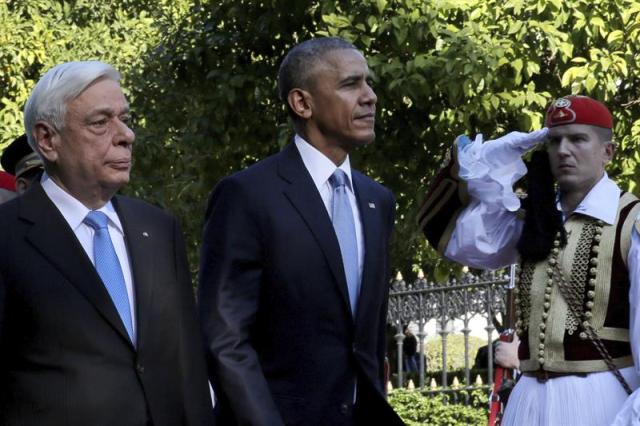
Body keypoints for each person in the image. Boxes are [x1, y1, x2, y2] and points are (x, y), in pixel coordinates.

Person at [198, 37, 403, 425]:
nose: (370, 96)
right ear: (302, 103)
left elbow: (367, 339)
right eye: (350, 84)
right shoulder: (246, 196)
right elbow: (225, 339)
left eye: (369, 83)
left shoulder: (379, 201)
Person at [0, 61, 214, 425]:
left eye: (125, 119)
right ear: (48, 140)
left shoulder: (158, 228)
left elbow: (187, 364)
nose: (126, 135)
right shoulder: (7, 235)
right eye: (101, 122)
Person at [418, 95, 640, 425]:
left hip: (603, 405)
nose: (564, 150)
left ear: (608, 151)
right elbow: (448, 235)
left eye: (578, 139)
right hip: (527, 401)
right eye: (554, 141)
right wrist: (497, 157)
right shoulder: (531, 219)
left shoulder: (630, 224)